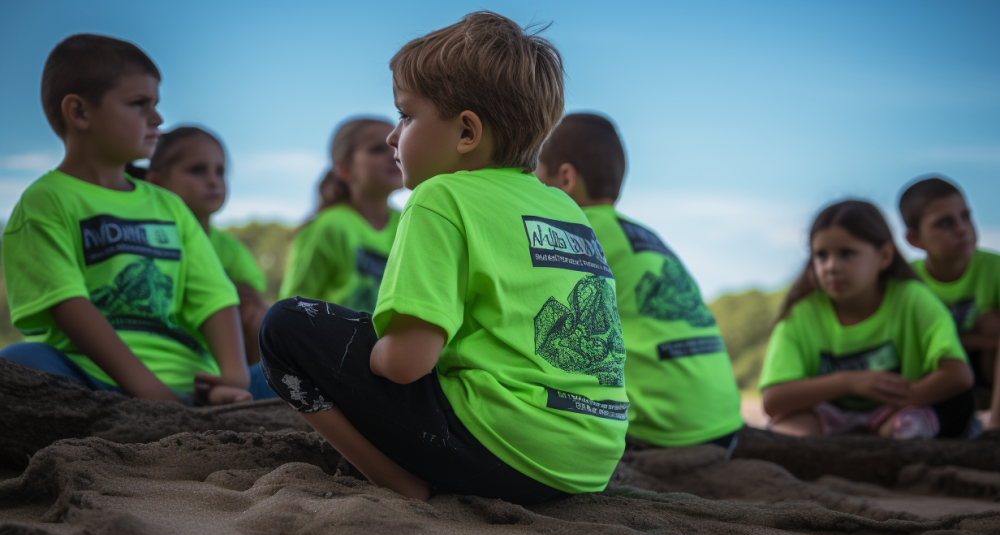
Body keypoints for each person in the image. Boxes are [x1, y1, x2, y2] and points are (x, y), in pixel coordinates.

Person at [258, 12, 629, 503]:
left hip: (503, 450)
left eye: (406, 116)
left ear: (467, 133)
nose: (394, 136)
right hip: (587, 461)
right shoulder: (563, 207)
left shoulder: (442, 197)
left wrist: (367, 354)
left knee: (285, 326)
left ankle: (397, 482)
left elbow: (406, 364)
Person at [0, 34, 267, 404]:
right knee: (17, 361)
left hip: (200, 384)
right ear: (79, 112)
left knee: (288, 374)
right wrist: (153, 395)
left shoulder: (170, 206)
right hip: (97, 381)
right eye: (139, 104)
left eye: (156, 103)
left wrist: (234, 380)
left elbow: (214, 296)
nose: (157, 118)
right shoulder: (45, 202)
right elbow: (69, 306)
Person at [535, 113, 743, 451]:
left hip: (665, 432)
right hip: (724, 423)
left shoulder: (574, 233)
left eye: (537, 175)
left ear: (566, 178)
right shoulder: (647, 236)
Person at [758, 200, 974, 439]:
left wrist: (907, 398)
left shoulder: (911, 298)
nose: (831, 267)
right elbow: (773, 400)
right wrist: (847, 382)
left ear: (884, 256)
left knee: (911, 426)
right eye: (821, 255)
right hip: (825, 416)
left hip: (897, 410)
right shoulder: (801, 314)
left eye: (846, 254)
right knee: (787, 434)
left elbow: (958, 375)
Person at [147, 126, 268, 365]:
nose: (213, 180)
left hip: (224, 362)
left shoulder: (233, 250)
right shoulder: (147, 241)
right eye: (197, 170)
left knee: (261, 319)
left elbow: (252, 312)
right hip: (163, 358)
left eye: (221, 171)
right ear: (156, 183)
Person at [900, 176, 1000, 429]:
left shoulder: (994, 267)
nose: (961, 228)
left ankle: (995, 431)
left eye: (966, 216)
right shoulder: (905, 283)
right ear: (915, 239)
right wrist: (979, 337)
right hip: (932, 375)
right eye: (945, 223)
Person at [279, 118, 403, 312]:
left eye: (398, 145)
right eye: (378, 149)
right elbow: (293, 308)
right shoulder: (328, 227)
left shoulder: (410, 222)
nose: (394, 154)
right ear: (345, 168)